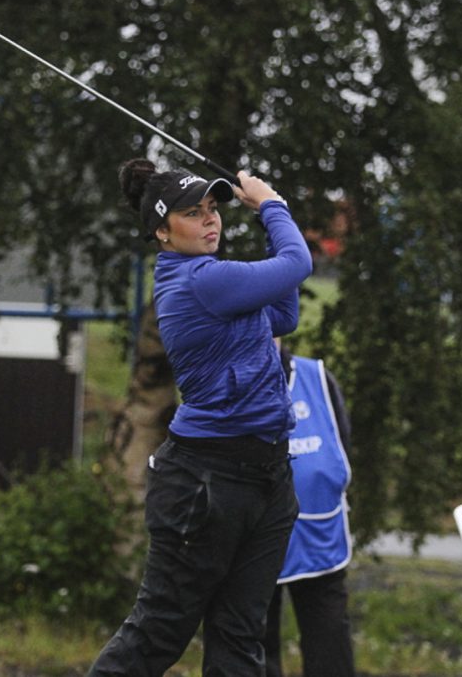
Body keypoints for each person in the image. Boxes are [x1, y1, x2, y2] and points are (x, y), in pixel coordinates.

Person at [89, 159, 313, 677]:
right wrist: (273, 208)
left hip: (265, 478)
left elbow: (285, 314)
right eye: (194, 213)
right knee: (158, 634)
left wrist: (275, 233)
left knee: (240, 637)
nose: (211, 219)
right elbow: (297, 263)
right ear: (162, 232)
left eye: (213, 209)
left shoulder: (218, 280)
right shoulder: (198, 284)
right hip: (207, 482)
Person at [264, 342, 355, 677]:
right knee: (253, 645)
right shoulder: (225, 379)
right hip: (253, 538)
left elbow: (341, 448)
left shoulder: (317, 378)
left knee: (329, 641)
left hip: (320, 535)